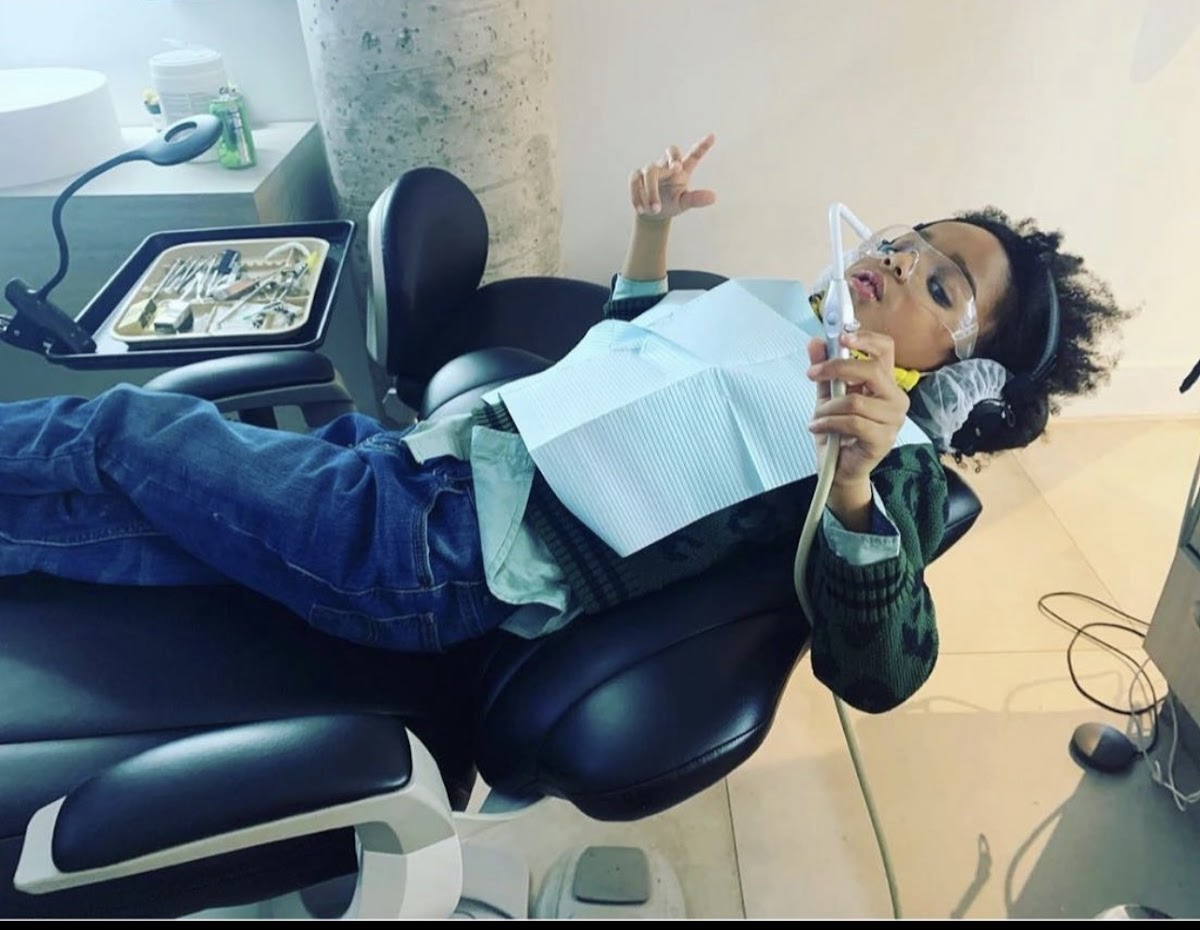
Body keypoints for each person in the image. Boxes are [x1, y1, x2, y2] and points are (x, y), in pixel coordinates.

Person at [0, 134, 1132, 713]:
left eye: (942, 286)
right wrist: (650, 233)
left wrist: (853, 481)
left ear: (964, 373)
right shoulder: (779, 317)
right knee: (115, 523)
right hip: (426, 466)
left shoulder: (895, 460)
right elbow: (628, 355)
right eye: (910, 238)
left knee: (126, 432)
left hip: (435, 555)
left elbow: (882, 674)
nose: (900, 259)